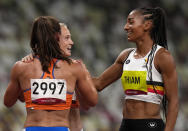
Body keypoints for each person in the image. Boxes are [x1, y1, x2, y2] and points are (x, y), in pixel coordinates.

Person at [4, 16, 98, 131]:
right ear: (57, 37)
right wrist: (83, 74)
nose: (71, 42)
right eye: (67, 38)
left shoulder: (21, 66)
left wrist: (23, 80)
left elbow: (8, 102)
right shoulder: (75, 68)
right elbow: (92, 101)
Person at [93, 7, 178, 131]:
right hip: (126, 125)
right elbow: (99, 84)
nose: (125, 27)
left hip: (150, 126)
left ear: (147, 25)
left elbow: (174, 101)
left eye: (131, 22)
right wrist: (71, 72)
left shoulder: (162, 57)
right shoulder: (125, 56)